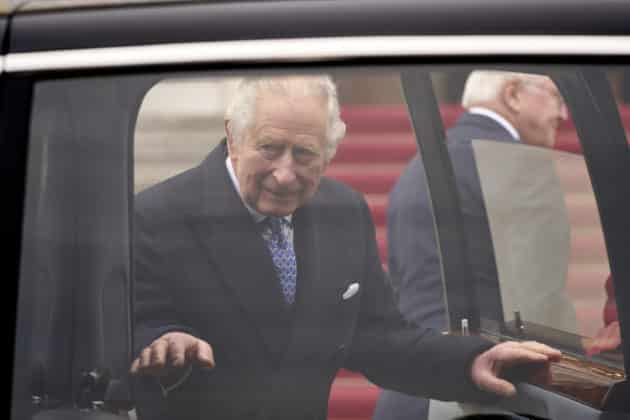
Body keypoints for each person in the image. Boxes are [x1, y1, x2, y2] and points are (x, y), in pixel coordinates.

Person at [129, 75, 561, 420]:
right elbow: (120, 328)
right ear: (233, 136)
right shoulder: (157, 214)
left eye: (304, 154)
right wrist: (159, 340)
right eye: (270, 149)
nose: (284, 174)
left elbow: (380, 338)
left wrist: (471, 362)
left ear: (330, 152)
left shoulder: (343, 209)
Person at [374, 71, 570, 420]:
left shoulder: (420, 166)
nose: (563, 114)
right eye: (556, 96)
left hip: (410, 389)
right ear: (512, 95)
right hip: (487, 392)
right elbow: (542, 296)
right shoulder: (521, 165)